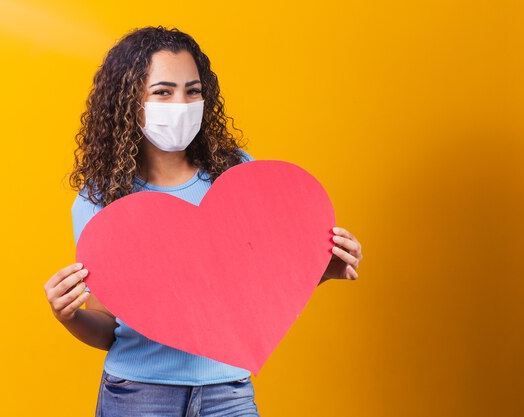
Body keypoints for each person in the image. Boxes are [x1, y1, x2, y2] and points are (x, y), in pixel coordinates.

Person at [43, 25, 363, 417]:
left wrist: (317, 269)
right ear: (128, 100)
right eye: (163, 91)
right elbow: (109, 327)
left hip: (228, 392)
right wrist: (69, 315)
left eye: (192, 90)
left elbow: (253, 292)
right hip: (139, 396)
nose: (181, 103)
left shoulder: (239, 175)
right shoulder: (101, 200)